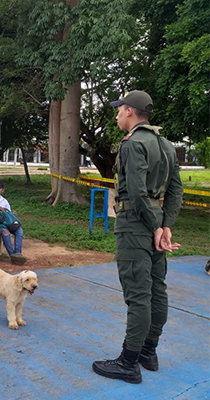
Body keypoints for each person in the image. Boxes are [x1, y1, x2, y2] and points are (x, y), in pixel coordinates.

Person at [92, 90, 183, 384]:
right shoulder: (166, 145)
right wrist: (166, 225)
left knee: (138, 295)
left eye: (120, 109)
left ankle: (128, 362)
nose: (117, 114)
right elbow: (175, 190)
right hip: (156, 221)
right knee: (157, 289)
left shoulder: (132, 143)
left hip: (135, 224)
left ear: (130, 110)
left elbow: (136, 191)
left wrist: (155, 227)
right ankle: (148, 351)